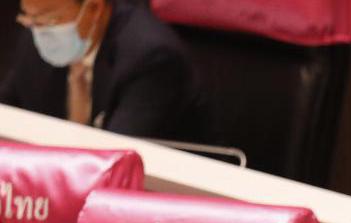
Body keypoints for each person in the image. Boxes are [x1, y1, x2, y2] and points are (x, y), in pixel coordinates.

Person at [0, 0, 208, 141]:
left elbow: (116, 156)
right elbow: (7, 112)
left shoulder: (152, 57)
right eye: (29, 18)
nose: (38, 29)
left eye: (48, 19)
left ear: (94, 8)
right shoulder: (36, 36)